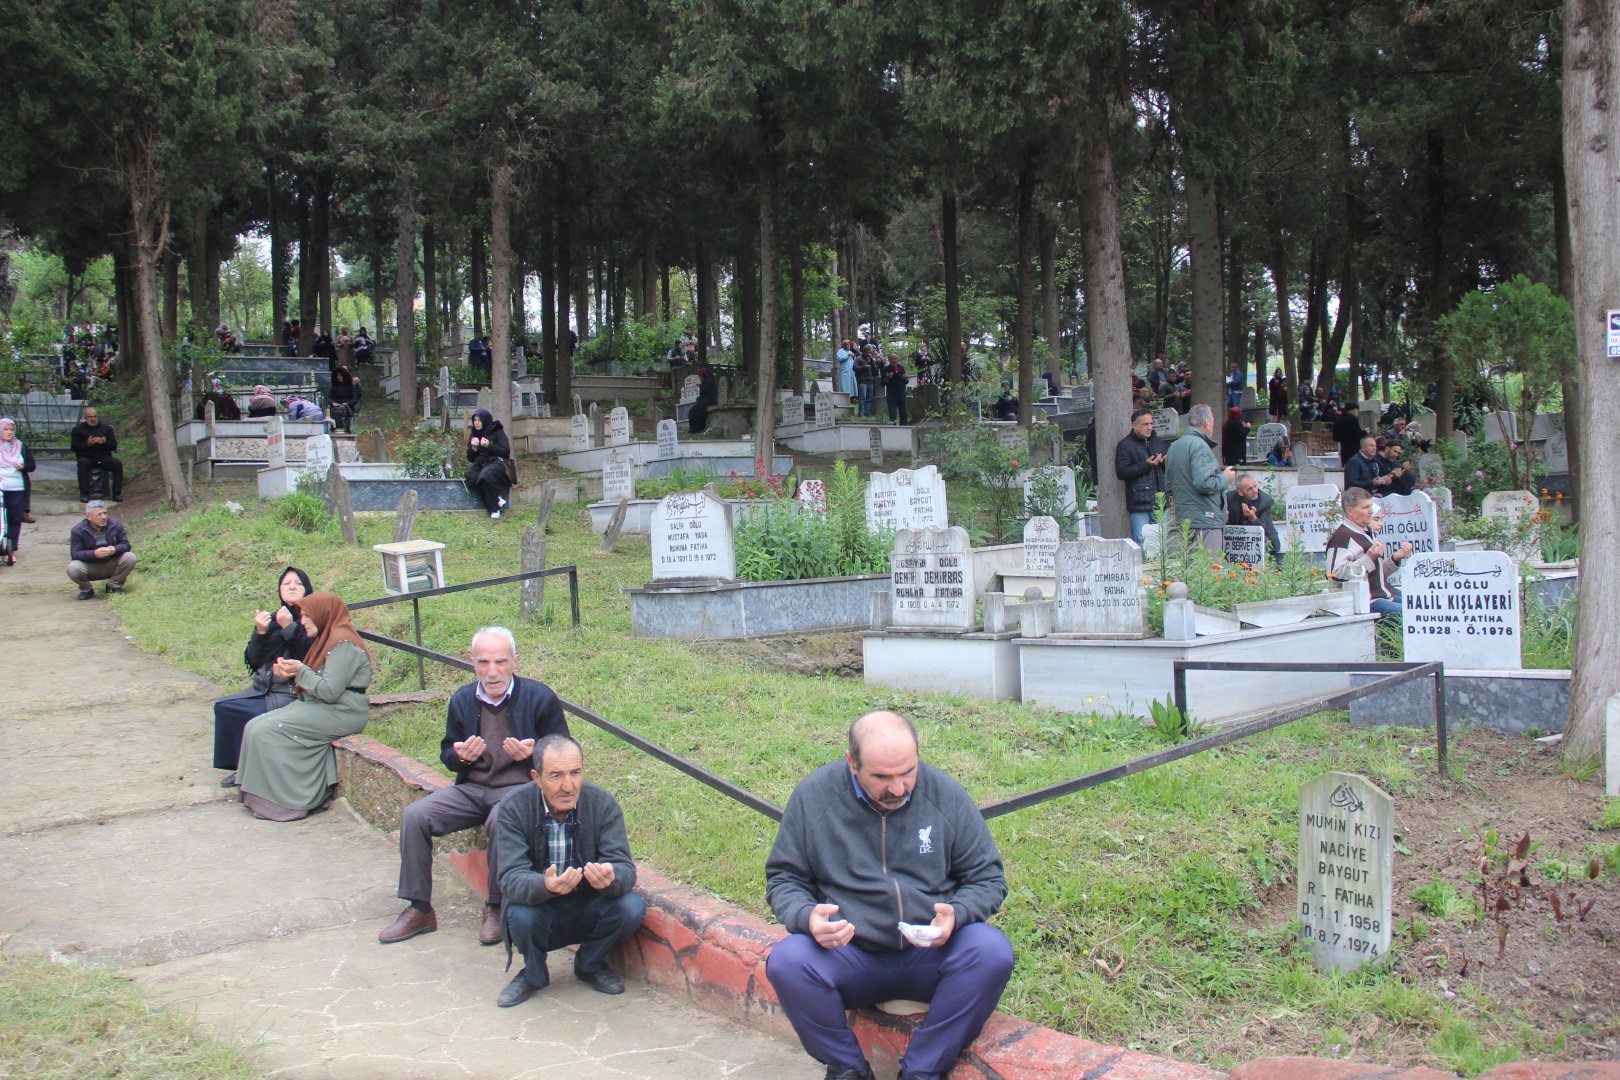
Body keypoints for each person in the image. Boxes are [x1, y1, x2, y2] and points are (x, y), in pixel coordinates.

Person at [765, 711, 1013, 1080]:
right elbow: (784, 878)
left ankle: (923, 1071)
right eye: (881, 777)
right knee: (788, 962)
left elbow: (988, 878)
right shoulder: (814, 797)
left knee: (991, 951)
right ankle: (847, 1069)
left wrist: (957, 913)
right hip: (849, 954)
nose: (898, 789)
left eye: (908, 772)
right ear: (852, 762)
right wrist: (807, 916)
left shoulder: (945, 794)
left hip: (930, 952)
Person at [380, 627, 571, 947]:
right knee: (416, 815)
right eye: (484, 662)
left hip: (519, 789)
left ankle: (495, 906)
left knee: (501, 819)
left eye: (500, 661)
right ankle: (419, 908)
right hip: (472, 790)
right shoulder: (462, 700)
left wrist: (534, 753)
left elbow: (564, 752)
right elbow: (447, 752)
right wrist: (459, 756)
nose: (492, 671)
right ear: (473, 663)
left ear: (515, 662)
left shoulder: (539, 697)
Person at [491, 734, 645, 1007]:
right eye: (556, 776)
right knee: (521, 914)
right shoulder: (513, 808)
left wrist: (610, 877)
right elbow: (510, 878)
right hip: (541, 908)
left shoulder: (602, 804)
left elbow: (625, 869)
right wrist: (544, 885)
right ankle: (534, 974)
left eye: (575, 773)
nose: (568, 786)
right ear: (536, 778)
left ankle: (589, 963)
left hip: (588, 904)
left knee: (630, 907)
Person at [236, 592, 372, 821]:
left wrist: (300, 671)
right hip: (321, 706)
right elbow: (317, 683)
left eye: (307, 616)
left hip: (342, 711)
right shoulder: (327, 639)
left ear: (323, 615)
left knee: (266, 730)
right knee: (253, 725)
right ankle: (260, 797)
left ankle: (287, 802)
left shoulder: (343, 644)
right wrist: (292, 673)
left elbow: (330, 691)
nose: (302, 622)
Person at [213, 567, 314, 789]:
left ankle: (250, 771)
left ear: (307, 589)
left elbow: (310, 654)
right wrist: (259, 632)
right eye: (286, 583)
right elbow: (254, 660)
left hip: (292, 690)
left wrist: (290, 627)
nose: (292, 587)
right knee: (225, 707)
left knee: (253, 715)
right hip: (264, 687)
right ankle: (241, 767)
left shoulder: (313, 618)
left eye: (298, 583)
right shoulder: (273, 619)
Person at [1325, 487, 1411, 618]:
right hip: (1367, 602)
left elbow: (1373, 574)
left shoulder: (1366, 532)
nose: (1371, 511)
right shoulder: (1343, 536)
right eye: (1365, 507)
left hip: (1384, 597)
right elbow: (1334, 574)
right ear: (1350, 511)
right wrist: (1369, 558)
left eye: (1371, 506)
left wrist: (1395, 558)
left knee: (1422, 608)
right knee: (1413, 616)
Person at [1164, 403, 1234, 552]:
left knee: (1188, 565)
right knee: (1209, 565)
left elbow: (1169, 486)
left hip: (1184, 520)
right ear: (1207, 423)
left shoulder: (1174, 446)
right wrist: (1225, 478)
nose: (1213, 426)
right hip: (1205, 521)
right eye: (1213, 422)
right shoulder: (1200, 446)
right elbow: (1204, 483)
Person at [1114, 408, 1167, 545]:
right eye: (1145, 424)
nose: (1149, 427)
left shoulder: (1157, 441)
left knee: (1162, 543)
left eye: (1151, 423)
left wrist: (1164, 463)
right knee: (1142, 543)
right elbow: (1121, 472)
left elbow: (1164, 470)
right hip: (1139, 503)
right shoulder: (1125, 445)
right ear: (1134, 425)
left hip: (1160, 501)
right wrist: (1146, 465)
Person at [67, 500, 136, 598]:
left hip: (111, 562)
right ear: (88, 517)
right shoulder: (78, 530)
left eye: (105, 513)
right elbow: (75, 554)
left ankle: (114, 585)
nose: (103, 517)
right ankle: (86, 589)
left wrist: (114, 549)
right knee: (73, 568)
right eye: (99, 514)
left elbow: (126, 545)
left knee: (130, 557)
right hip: (90, 566)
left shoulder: (115, 524)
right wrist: (94, 554)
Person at [0, 417, 36, 565]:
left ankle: (11, 549)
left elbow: (32, 465)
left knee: (14, 519)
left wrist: (23, 467)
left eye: (11, 429)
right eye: (5, 429)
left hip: (17, 488)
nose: (9, 432)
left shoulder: (21, 446)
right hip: (1, 487)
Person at [464, 408, 512, 519]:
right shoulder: (474, 434)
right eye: (475, 420)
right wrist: (474, 448)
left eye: (479, 420)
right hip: (481, 463)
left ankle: (494, 510)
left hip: (497, 463)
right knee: (471, 477)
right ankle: (497, 499)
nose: (476, 423)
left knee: (485, 476)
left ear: (485, 420)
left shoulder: (497, 431)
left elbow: (506, 451)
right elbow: (470, 458)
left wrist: (489, 446)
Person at [71, 407, 123, 503]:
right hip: (87, 458)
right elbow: (74, 447)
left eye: (95, 416)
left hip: (104, 457)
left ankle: (116, 493)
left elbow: (114, 446)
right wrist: (88, 444)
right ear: (85, 418)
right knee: (82, 463)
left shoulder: (106, 429)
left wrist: (104, 442)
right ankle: (84, 493)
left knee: (117, 464)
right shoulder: (78, 430)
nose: (93, 419)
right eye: (90, 417)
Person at [1225, 474, 1282, 557]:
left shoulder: (1265, 501)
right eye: (1249, 489)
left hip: (1257, 537)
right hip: (1236, 538)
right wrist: (1225, 520)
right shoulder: (1229, 498)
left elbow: (1264, 529)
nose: (1255, 491)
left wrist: (1253, 518)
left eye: (1255, 486)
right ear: (1240, 492)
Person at [328, 366, 361, 432]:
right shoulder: (334, 386)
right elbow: (329, 398)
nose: (339, 377)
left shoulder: (350, 385)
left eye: (341, 375)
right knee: (335, 412)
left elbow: (355, 399)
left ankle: (345, 428)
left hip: (348, 407)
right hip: (336, 406)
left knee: (342, 411)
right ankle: (335, 428)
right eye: (337, 375)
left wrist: (347, 404)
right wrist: (333, 403)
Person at [688, 366, 719, 433]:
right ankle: (698, 429)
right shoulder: (710, 380)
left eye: (700, 376)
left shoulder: (709, 381)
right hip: (707, 400)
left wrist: (700, 385)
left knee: (692, 412)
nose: (699, 378)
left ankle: (693, 429)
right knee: (697, 412)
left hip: (708, 401)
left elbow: (703, 391)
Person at [883, 355, 910, 425]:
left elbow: (906, 381)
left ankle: (904, 427)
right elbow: (882, 383)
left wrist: (906, 378)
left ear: (898, 359)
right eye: (892, 359)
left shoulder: (901, 368)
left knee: (903, 412)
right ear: (889, 359)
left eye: (895, 359)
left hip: (901, 392)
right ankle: (893, 426)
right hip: (891, 393)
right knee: (893, 412)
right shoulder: (886, 369)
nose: (894, 360)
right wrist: (888, 378)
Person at [854, 347, 879, 418]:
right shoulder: (858, 359)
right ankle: (861, 412)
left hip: (870, 380)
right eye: (866, 352)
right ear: (863, 352)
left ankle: (866, 412)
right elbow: (854, 368)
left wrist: (872, 361)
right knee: (863, 397)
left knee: (869, 397)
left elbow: (874, 370)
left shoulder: (870, 359)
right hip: (862, 380)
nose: (868, 354)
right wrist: (864, 367)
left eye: (869, 352)